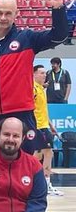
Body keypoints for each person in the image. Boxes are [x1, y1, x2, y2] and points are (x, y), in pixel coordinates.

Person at [0, 0, 68, 152]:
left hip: (21, 116)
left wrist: (58, 9)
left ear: (16, 14)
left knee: (23, 168)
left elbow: (59, 36)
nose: (3, 17)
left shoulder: (27, 39)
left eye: (8, 13)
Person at [33, 65, 62, 196]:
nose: (45, 75)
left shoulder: (41, 89)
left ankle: (38, 183)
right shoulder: (32, 89)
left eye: (45, 73)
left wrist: (51, 125)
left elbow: (43, 110)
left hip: (44, 126)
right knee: (47, 153)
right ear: (34, 74)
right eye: (42, 73)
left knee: (39, 155)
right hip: (38, 127)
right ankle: (44, 184)